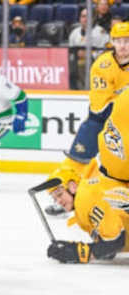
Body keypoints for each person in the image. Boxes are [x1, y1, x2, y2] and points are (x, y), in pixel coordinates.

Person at [45, 21, 129, 216]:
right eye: (119, 41)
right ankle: (61, 198)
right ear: (112, 42)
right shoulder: (103, 64)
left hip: (125, 125)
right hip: (99, 123)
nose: (123, 46)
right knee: (76, 161)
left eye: (127, 41)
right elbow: (102, 107)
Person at [46, 89, 129, 264]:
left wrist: (81, 252)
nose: (59, 201)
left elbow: (115, 241)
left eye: (60, 194)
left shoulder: (85, 198)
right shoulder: (93, 182)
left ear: (72, 186)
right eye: (56, 197)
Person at [68, 8, 110, 90]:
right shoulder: (74, 33)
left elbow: (105, 51)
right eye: (83, 16)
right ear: (80, 18)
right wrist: (76, 54)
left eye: (88, 16)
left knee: (83, 65)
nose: (85, 19)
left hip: (96, 63)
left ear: (93, 18)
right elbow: (70, 53)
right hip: (77, 63)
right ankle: (75, 90)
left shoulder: (101, 32)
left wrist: (89, 55)